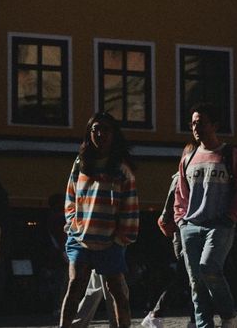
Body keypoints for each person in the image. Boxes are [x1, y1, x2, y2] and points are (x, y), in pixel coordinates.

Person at [58, 112, 139, 328]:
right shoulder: (81, 163)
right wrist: (72, 224)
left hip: (110, 242)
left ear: (114, 134)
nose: (100, 134)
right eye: (95, 129)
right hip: (81, 238)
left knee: (117, 292)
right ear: (89, 133)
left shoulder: (121, 169)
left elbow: (130, 207)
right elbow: (70, 196)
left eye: (105, 129)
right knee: (74, 286)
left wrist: (121, 239)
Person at [173, 104, 237, 328]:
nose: (195, 127)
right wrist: (181, 220)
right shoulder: (188, 158)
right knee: (195, 282)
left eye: (200, 122)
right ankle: (204, 325)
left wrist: (231, 217)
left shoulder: (231, 155)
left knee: (209, 268)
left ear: (214, 125)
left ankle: (228, 316)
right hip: (190, 226)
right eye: (193, 123)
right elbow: (181, 193)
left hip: (220, 225)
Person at [143, 147, 196, 328]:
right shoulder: (178, 179)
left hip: (191, 232)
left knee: (190, 278)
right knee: (187, 277)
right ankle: (158, 314)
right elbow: (167, 212)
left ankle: (192, 319)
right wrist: (173, 231)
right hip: (182, 234)